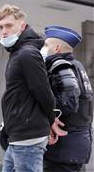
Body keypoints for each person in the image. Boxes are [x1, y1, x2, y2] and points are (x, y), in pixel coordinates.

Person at [0, 4, 67, 172]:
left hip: (28, 136)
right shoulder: (18, 53)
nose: (4, 31)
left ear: (22, 26)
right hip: (18, 136)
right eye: (0, 27)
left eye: (9, 25)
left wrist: (50, 120)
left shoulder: (27, 54)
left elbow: (43, 92)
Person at [41, 26, 93, 172]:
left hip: (63, 150)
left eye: (46, 45)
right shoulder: (77, 66)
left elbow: (68, 103)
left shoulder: (61, 67)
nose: (43, 48)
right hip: (75, 147)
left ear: (57, 48)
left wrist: (44, 109)